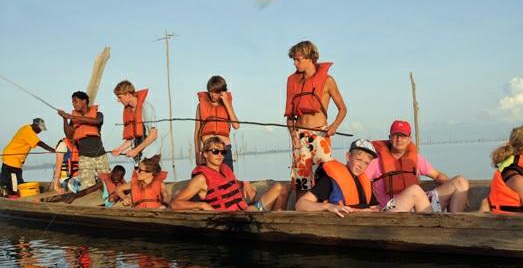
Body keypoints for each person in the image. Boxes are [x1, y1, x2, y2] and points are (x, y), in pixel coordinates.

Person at [296, 139, 439, 217]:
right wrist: (329, 207)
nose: (361, 165)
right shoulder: (331, 181)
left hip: (379, 219)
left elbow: (375, 207)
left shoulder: (364, 180)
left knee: (416, 192)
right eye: (358, 159)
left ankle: (428, 229)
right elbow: (301, 204)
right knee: (415, 190)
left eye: (366, 163)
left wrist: (373, 210)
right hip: (361, 225)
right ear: (348, 157)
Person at [365, 120, 470, 213]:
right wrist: (368, 206)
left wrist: (461, 194)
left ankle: (454, 225)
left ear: (409, 139)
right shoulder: (375, 160)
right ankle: (432, 223)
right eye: (395, 135)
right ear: (390, 138)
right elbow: (360, 181)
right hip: (390, 207)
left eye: (403, 136)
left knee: (461, 181)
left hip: (419, 207)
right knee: (414, 190)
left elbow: (437, 175)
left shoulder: (416, 159)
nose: (399, 139)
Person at [285, 40, 347, 195]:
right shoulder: (292, 82)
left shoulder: (328, 81)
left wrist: (334, 127)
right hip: (299, 136)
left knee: (323, 177)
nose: (295, 63)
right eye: (293, 59)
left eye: (298, 59)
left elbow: (343, 109)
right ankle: (300, 212)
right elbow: (290, 115)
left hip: (320, 135)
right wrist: (293, 134)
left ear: (309, 57)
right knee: (301, 182)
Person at [171, 136, 289, 211]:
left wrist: (244, 183)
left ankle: (276, 221)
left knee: (282, 188)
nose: (219, 155)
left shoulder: (225, 169)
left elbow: (229, 184)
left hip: (246, 211)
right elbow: (175, 204)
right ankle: (274, 225)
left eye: (223, 152)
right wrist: (201, 205)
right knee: (280, 188)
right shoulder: (201, 179)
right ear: (205, 154)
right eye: (215, 151)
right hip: (230, 220)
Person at [57, 91, 110, 190]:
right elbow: (69, 135)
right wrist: (65, 119)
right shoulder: (74, 120)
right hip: (84, 156)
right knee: (87, 185)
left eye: (75, 101)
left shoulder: (98, 114)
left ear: (84, 101)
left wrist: (74, 117)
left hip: (100, 155)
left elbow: (98, 121)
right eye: (72, 102)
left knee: (107, 182)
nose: (73, 104)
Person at [194, 76, 240, 169]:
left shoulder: (227, 105)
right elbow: (196, 132)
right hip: (208, 149)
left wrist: (227, 103)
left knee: (228, 178)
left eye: (216, 92)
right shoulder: (200, 106)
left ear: (222, 92)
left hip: (225, 149)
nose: (213, 95)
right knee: (209, 179)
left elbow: (236, 125)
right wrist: (197, 153)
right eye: (211, 91)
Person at [1, 118, 55, 196]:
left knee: (14, 181)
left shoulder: (28, 129)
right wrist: (53, 150)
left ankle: (12, 195)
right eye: (40, 129)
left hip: (15, 161)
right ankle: (13, 197)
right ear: (35, 125)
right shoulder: (28, 131)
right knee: (13, 183)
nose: (40, 131)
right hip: (11, 160)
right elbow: (39, 143)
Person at [112, 80, 158, 161]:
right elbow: (133, 138)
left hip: (150, 157)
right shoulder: (130, 110)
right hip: (139, 157)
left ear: (129, 95)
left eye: (120, 97)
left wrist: (136, 150)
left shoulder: (146, 108)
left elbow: (153, 135)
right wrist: (120, 149)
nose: (118, 100)